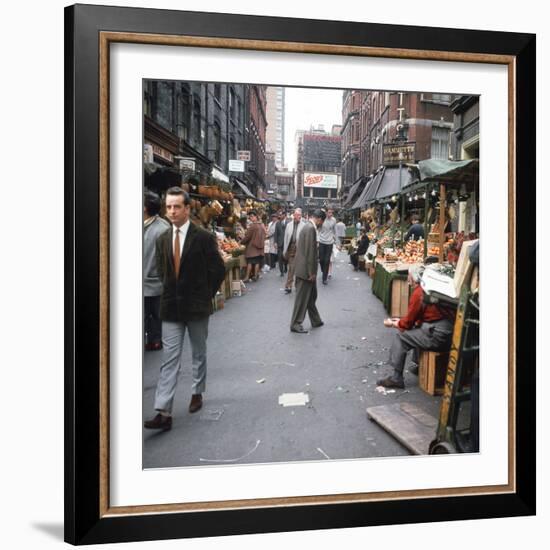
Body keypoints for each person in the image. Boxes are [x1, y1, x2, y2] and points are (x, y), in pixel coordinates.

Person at [144, 187, 225, 431]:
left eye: (177, 206)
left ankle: (197, 392)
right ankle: (163, 410)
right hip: (170, 308)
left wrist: (205, 295)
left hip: (197, 307)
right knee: (169, 359)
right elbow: (163, 272)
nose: (172, 211)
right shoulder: (161, 239)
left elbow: (218, 270)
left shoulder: (202, 237)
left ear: (187, 209)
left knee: (198, 353)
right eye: (168, 207)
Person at [377, 265, 456, 389]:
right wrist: (402, 321)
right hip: (449, 332)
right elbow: (415, 320)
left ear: (413, 278)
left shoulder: (419, 292)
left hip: (438, 336)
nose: (408, 280)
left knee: (401, 336)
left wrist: (393, 323)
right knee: (416, 330)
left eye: (409, 276)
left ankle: (396, 378)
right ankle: (420, 366)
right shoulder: (433, 288)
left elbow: (407, 323)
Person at [290, 209, 325, 333]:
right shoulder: (310, 229)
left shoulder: (307, 227)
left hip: (303, 268)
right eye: (322, 222)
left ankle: (316, 320)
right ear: (320, 219)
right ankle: (295, 323)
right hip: (305, 271)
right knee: (302, 299)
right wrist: (311, 273)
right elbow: (310, 252)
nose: (321, 224)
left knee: (311, 296)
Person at [143, 190, 171, 351]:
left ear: (145, 208)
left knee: (154, 314)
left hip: (154, 280)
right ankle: (153, 339)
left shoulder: (162, 228)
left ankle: (155, 340)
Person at [283, 208, 306, 294]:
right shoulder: (289, 225)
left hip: (300, 249)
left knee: (299, 269)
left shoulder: (304, 225)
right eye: (297, 215)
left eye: (300, 215)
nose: (298, 217)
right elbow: (286, 238)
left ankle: (298, 286)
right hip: (291, 248)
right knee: (291, 268)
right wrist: (284, 250)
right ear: (294, 215)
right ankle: (288, 286)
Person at [241, 210, 266, 282]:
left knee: (250, 262)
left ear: (255, 217)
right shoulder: (262, 225)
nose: (250, 218)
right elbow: (265, 234)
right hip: (260, 248)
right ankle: (255, 276)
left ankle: (247, 277)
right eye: (250, 217)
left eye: (251, 217)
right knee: (257, 262)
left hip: (252, 247)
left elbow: (247, 237)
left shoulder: (253, 226)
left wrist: (241, 242)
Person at [318, 208, 337, 284]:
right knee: (321, 260)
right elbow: (318, 229)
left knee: (327, 260)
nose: (330, 214)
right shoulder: (322, 219)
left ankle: (324, 278)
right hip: (322, 241)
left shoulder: (334, 220)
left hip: (330, 242)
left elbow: (335, 231)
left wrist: (336, 241)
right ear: (326, 213)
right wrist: (317, 239)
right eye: (329, 212)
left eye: (331, 213)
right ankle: (323, 270)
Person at [275, 210, 288, 277]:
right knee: (280, 257)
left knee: (285, 257)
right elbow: (276, 234)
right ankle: (281, 271)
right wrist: (275, 242)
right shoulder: (277, 223)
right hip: (280, 243)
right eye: (280, 215)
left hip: (286, 243)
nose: (280, 216)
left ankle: (285, 266)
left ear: (285, 215)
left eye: (282, 215)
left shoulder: (288, 223)